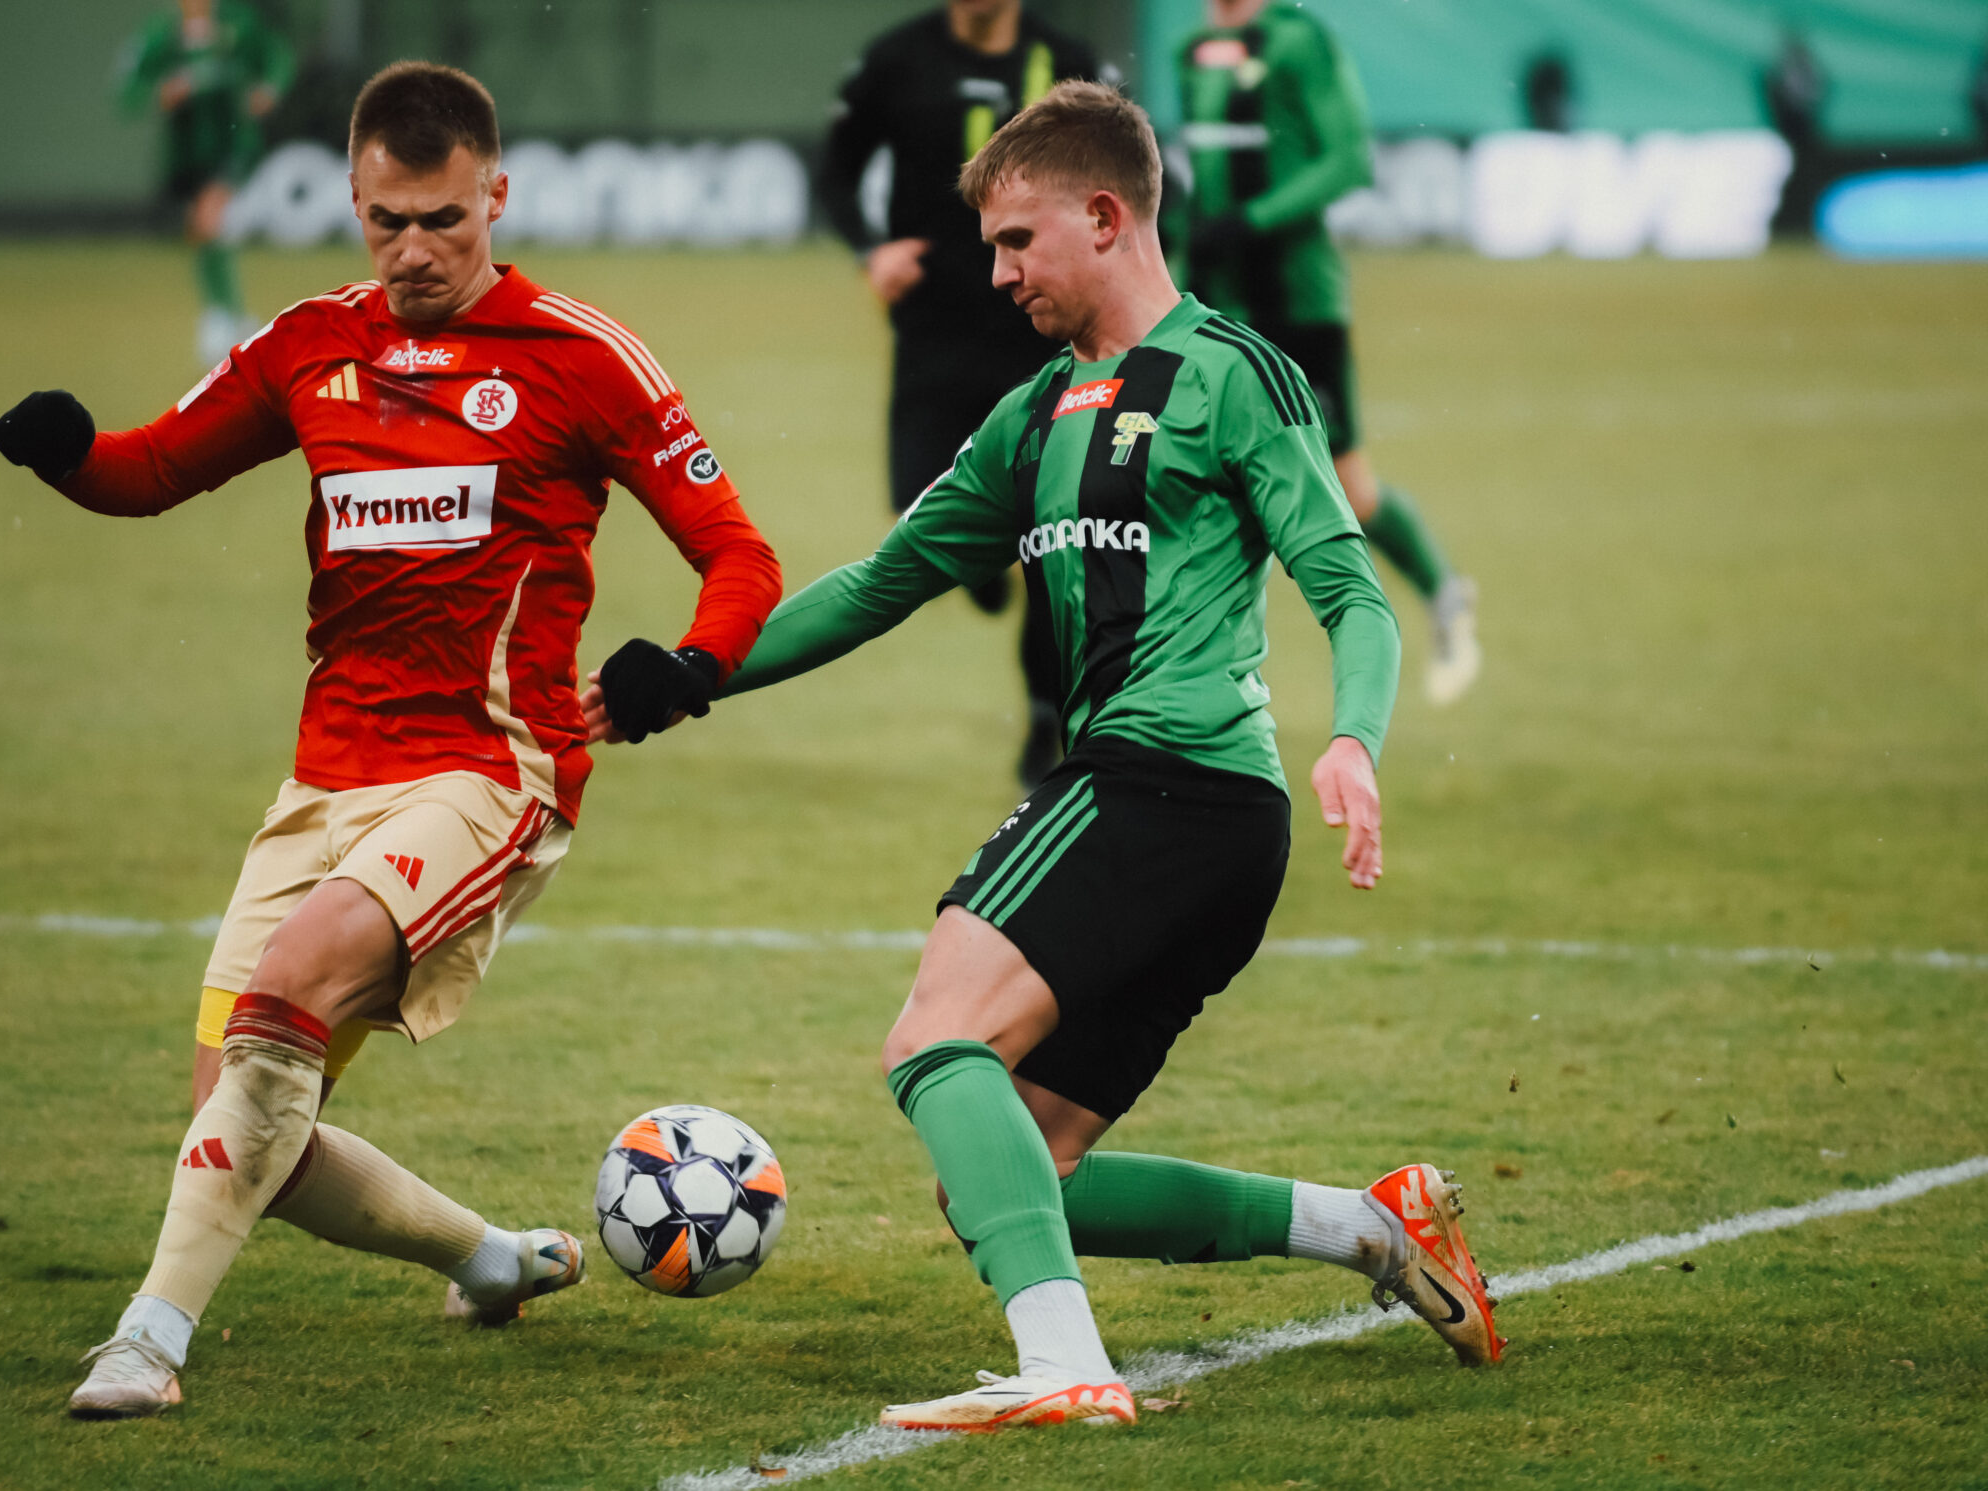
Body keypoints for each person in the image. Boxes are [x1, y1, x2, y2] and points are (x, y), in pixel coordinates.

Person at [593, 81, 1502, 1433]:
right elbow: (884, 581)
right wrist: (698, 669)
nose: (999, 272)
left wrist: (1353, 742)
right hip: (1192, 822)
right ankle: (1370, 1227)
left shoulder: (1231, 374)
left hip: (1167, 784)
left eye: (1018, 241)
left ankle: (1065, 1369)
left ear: (1106, 215)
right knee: (1015, 1170)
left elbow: (1349, 591)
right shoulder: (1033, 414)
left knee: (935, 1036)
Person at [0, 61, 783, 1419]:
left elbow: (739, 555)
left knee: (287, 998)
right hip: (324, 777)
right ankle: (490, 1257)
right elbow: (153, 468)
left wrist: (688, 666)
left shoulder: (582, 357)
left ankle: (147, 1342)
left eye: (442, 220)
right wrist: (69, 454)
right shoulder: (310, 344)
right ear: (354, 202)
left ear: (496, 196)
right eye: (385, 222)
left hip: (488, 774)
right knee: (239, 1129)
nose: (413, 250)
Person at [820, 0, 1105, 785]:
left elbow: (1126, 183)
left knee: (1051, 530)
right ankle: (983, 566)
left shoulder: (1066, 60)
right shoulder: (896, 59)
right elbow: (836, 167)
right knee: (920, 516)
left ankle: (1046, 715)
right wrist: (871, 251)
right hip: (933, 332)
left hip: (1038, 331)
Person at [1172, 0, 1482, 706]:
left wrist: (1252, 219)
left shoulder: (1299, 42)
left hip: (1298, 305)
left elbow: (1347, 160)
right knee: (1185, 472)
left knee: (1349, 492)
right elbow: (1202, 180)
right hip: (1215, 304)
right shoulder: (1191, 49)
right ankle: (1188, 675)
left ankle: (1444, 594)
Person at [117, 0, 295, 366]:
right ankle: (235, 315)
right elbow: (129, 89)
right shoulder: (162, 36)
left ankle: (216, 319)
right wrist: (162, 93)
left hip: (235, 143)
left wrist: (269, 88)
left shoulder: (237, 24)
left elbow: (278, 56)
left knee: (208, 217)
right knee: (200, 231)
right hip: (186, 153)